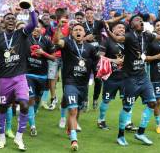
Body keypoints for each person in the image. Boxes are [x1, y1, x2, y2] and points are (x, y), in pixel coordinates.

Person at [108, 15, 160, 146]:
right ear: (131, 24)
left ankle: (140, 133)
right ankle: (120, 135)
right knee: (127, 107)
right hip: (130, 78)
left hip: (143, 77)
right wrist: (107, 28)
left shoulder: (147, 35)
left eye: (141, 19)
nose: (140, 20)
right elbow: (117, 38)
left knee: (152, 103)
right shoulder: (129, 36)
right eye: (136, 19)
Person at [0, 0, 37, 150]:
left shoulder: (20, 34)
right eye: (7, 18)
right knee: (3, 107)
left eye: (12, 18)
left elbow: (34, 23)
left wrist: (31, 7)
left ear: (16, 21)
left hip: (20, 77)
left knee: (24, 105)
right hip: (3, 78)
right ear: (2, 21)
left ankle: (19, 137)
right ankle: (1, 136)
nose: (10, 20)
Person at [54, 22, 99, 151]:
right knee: (72, 110)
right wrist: (58, 28)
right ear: (72, 33)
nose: (78, 31)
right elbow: (58, 41)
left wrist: (113, 62)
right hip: (70, 82)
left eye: (80, 30)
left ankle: (70, 128)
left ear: (84, 33)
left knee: (77, 111)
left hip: (83, 85)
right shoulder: (67, 43)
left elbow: (98, 60)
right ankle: (74, 140)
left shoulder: (90, 47)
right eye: (75, 30)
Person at [97, 21, 137, 131]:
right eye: (119, 27)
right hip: (111, 77)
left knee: (127, 100)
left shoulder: (128, 41)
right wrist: (114, 60)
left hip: (126, 77)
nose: (122, 30)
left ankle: (128, 122)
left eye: (123, 28)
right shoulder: (107, 41)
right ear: (113, 30)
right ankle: (101, 120)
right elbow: (99, 57)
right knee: (106, 100)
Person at [26, 20, 55, 136]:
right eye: (33, 27)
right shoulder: (25, 39)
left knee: (37, 99)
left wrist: (43, 53)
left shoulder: (47, 41)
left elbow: (53, 58)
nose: (35, 29)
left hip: (42, 75)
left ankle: (33, 112)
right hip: (28, 74)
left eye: (37, 27)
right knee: (30, 99)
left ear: (41, 29)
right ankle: (33, 126)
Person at [146, 19, 160, 134]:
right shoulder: (151, 41)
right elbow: (145, 58)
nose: (159, 27)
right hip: (156, 76)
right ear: (154, 28)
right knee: (158, 101)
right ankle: (158, 124)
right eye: (157, 25)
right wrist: (157, 56)